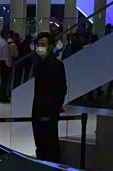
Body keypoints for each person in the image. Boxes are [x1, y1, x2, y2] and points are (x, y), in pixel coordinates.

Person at [31, 32, 66, 163]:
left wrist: (54, 108)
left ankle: (53, 168)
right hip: (38, 109)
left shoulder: (56, 65)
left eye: (43, 44)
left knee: (50, 145)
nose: (40, 47)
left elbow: (61, 89)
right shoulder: (39, 63)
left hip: (48, 111)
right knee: (40, 145)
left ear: (51, 46)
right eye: (39, 45)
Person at [0, 29, 13, 103]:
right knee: (5, 81)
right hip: (4, 64)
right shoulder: (5, 43)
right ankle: (3, 97)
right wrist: (9, 65)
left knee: (3, 81)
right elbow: (6, 56)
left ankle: (2, 96)